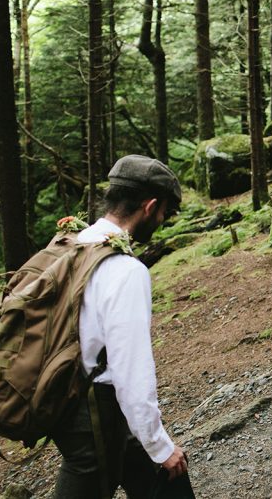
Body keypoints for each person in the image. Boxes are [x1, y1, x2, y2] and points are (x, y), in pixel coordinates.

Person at [51, 155, 193, 498]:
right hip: (95, 417)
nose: (161, 222)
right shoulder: (125, 270)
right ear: (150, 206)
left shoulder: (74, 245)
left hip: (69, 400)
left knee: (170, 485)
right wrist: (160, 446)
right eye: (163, 215)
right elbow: (131, 370)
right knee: (164, 469)